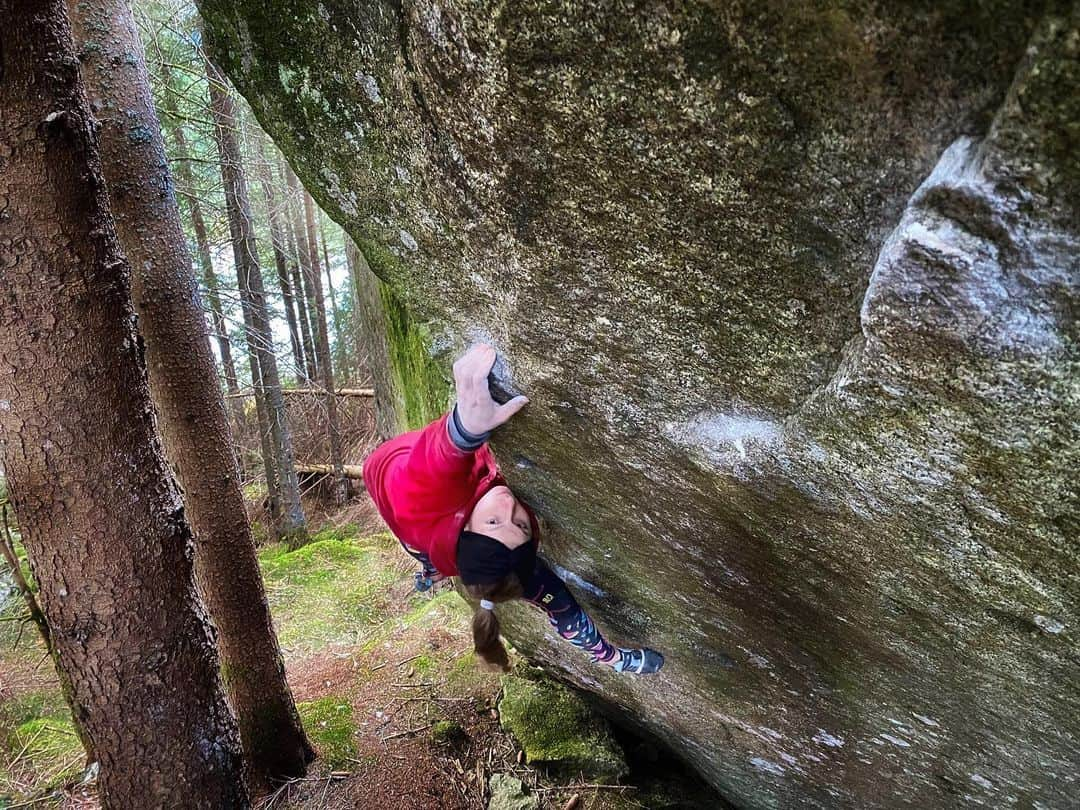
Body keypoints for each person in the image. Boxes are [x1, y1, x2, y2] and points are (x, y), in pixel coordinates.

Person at [362, 343, 664, 675]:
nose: (508, 505)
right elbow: (564, 611)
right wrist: (614, 658)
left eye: (493, 521)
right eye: (519, 525)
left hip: (389, 477)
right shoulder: (517, 562)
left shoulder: (424, 501)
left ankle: (429, 567)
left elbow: (426, 474)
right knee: (437, 558)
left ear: (466, 529)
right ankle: (432, 569)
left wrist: (463, 432)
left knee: (422, 550)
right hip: (442, 529)